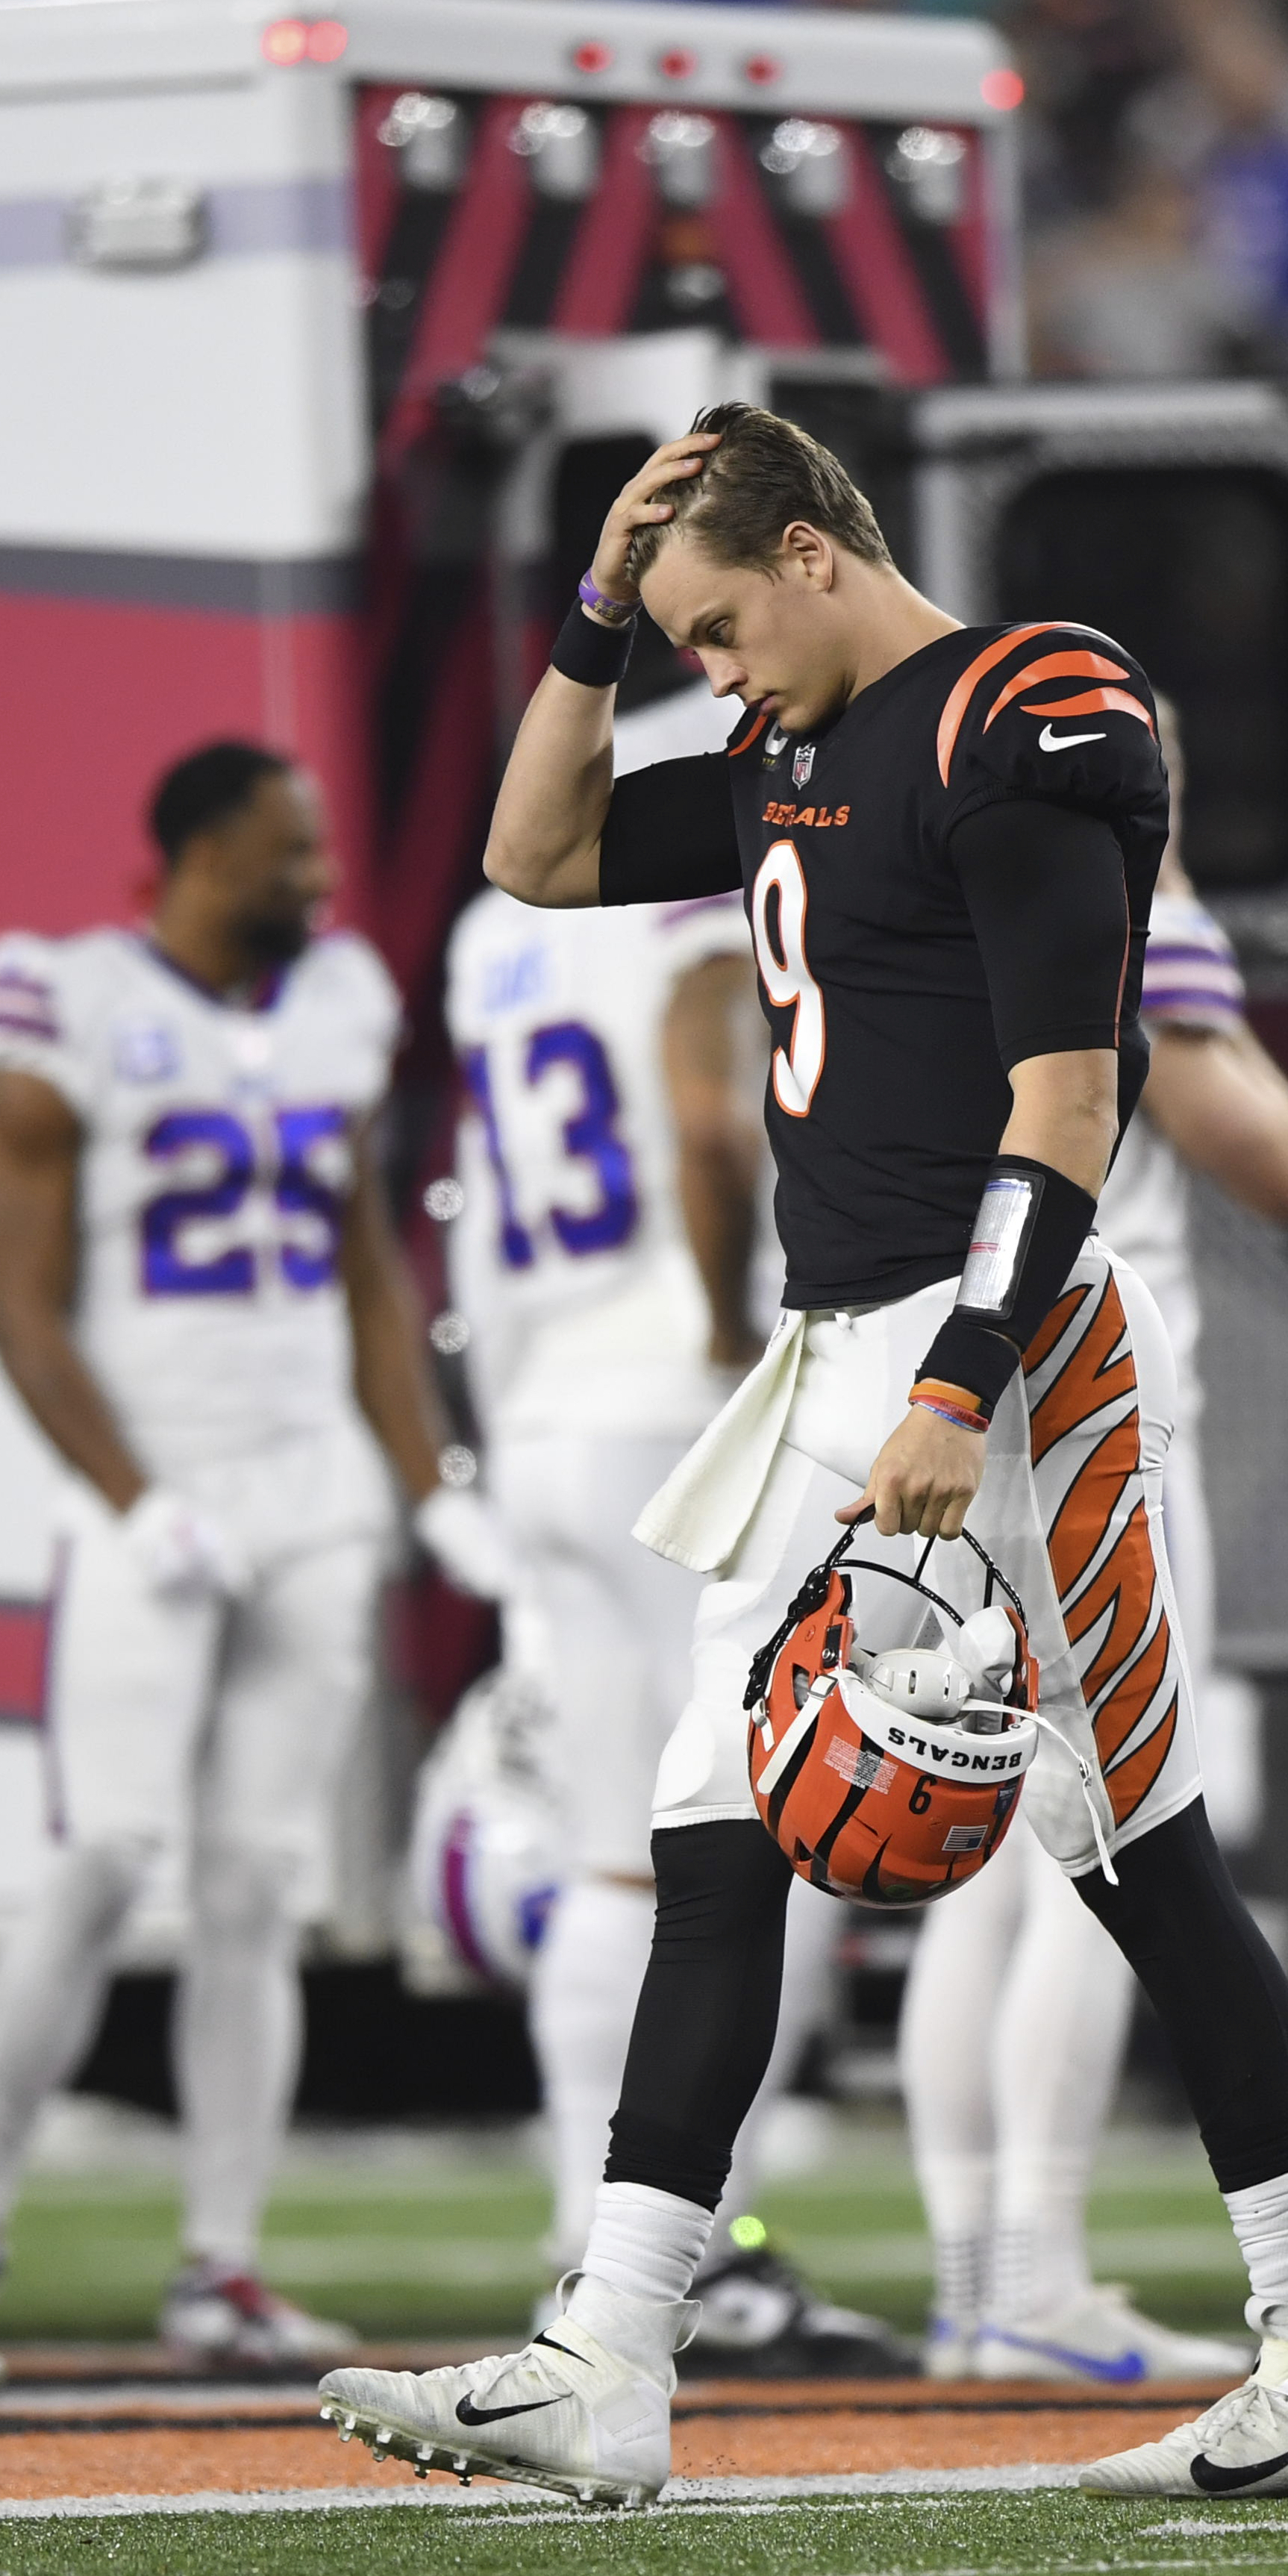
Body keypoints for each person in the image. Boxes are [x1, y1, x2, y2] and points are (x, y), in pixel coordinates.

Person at [316, 405, 1288, 2504]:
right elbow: (529, 852)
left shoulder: (1027, 706)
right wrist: (591, 617)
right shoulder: (783, 751)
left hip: (995, 1352)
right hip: (839, 1351)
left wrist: (960, 1375)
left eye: (718, 626)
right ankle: (615, 2347)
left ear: (818, 552)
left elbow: (1070, 1104)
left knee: (1137, 1847)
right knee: (718, 1828)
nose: (707, 671)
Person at [0, 742, 495, 2366]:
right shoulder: (65, 999)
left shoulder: (341, 1001)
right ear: (196, 854)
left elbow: (365, 1264)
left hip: (310, 1488)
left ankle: (218, 2259)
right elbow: (18, 1304)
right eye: (287, 853)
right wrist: (128, 1491)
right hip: (147, 1487)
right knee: (99, 1860)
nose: (315, 883)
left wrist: (427, 1475)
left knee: (254, 1885)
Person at [442, 850, 900, 2374]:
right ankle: (704, 2259)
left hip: (549, 1403)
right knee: (750, 1831)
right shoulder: (694, 867)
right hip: (666, 1401)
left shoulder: (491, 924)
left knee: (608, 1856)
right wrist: (727, 1341)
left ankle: (598, 2253)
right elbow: (708, 1120)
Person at [901, 837, 1288, 2386]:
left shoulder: (921, 878)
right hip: (1093, 1403)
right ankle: (1034, 2277)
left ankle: (974, 2281)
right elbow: (1274, 1157)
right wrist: (1197, 920)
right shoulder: (1122, 890)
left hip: (947, 1384)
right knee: (1113, 1830)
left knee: (990, 1870)